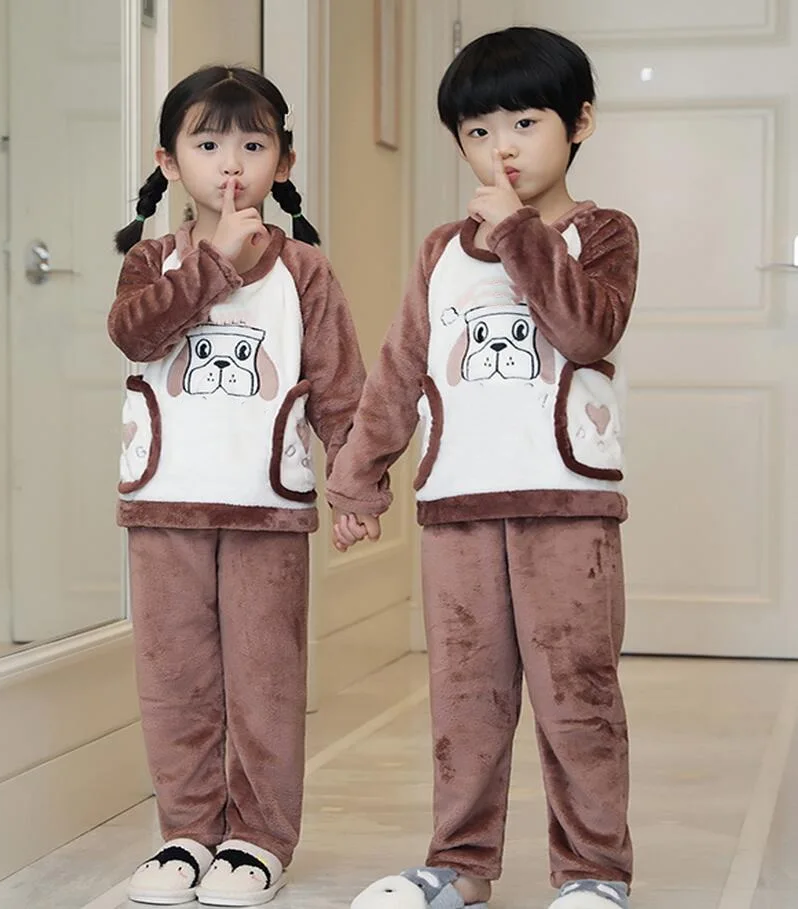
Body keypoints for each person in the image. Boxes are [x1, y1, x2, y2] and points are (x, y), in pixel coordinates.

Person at [327, 26, 639, 909]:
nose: (501, 148)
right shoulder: (439, 252)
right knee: (465, 696)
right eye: (477, 130)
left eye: (525, 124)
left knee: (576, 694)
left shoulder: (602, 234)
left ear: (580, 123)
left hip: (566, 505)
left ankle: (594, 871)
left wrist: (519, 236)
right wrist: (359, 479)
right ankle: (459, 864)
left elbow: (587, 329)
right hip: (457, 505)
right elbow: (399, 370)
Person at [108, 64, 365, 907]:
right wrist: (213, 262)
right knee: (174, 679)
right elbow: (136, 334)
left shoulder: (306, 272)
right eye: (208, 144)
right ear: (169, 161)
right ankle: (187, 830)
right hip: (164, 507)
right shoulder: (152, 261)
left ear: (282, 163)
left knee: (265, 680)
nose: (230, 164)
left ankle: (258, 838)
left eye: (253, 145)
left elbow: (341, 391)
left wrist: (356, 488)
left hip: (268, 511)